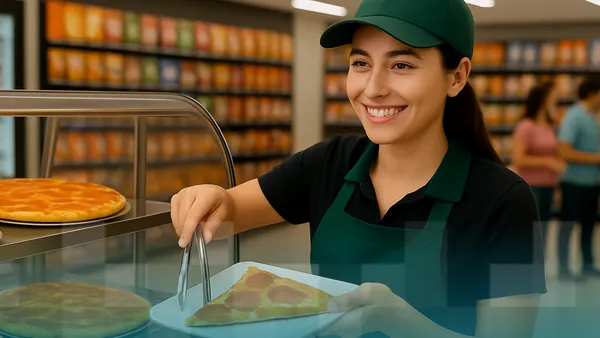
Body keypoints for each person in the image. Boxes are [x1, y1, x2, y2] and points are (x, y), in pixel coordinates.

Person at [171, 0, 546, 337]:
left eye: (401, 64)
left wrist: (402, 323)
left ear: (457, 76)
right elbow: (231, 213)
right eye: (361, 63)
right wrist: (211, 198)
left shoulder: (505, 202)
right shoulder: (330, 163)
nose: (373, 88)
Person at [557, 75, 600, 280]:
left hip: (592, 182)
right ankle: (563, 268)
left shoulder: (594, 116)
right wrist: (596, 158)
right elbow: (564, 151)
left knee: (589, 225)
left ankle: (588, 264)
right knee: (568, 226)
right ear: (593, 94)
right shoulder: (574, 116)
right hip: (574, 182)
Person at [512, 82, 565, 244]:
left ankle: (541, 266)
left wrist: (557, 186)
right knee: (530, 232)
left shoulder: (550, 126)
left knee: (544, 232)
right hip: (531, 186)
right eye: (552, 98)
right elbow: (518, 159)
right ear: (543, 100)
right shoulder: (525, 127)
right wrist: (548, 162)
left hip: (548, 185)